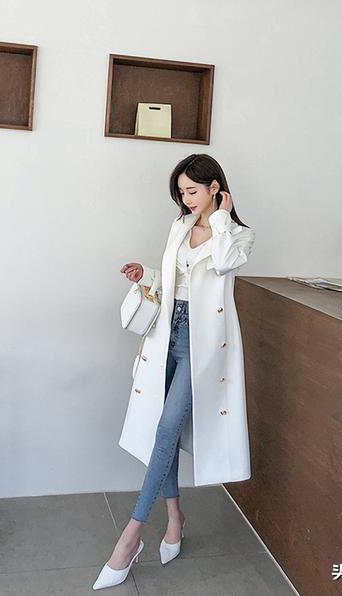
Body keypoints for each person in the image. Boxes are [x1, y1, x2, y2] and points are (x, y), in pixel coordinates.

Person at [93, 153, 255, 590]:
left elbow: (225, 263)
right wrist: (144, 273)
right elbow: (172, 280)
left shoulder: (238, 234)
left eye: (192, 191)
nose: (186, 200)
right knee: (158, 429)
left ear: (215, 188)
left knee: (166, 429)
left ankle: (130, 536)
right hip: (166, 332)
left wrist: (220, 218)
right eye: (181, 192)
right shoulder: (179, 226)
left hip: (202, 345)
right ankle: (174, 516)